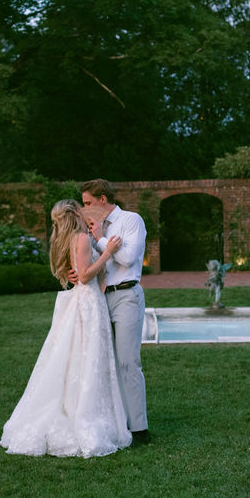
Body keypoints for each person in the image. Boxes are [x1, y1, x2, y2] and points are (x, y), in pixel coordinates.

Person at [0, 199, 133, 458]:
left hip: (84, 300)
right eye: (81, 209)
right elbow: (84, 275)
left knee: (80, 359)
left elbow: (76, 272)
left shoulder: (71, 239)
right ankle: (84, 413)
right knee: (88, 358)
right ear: (74, 213)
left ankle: (78, 405)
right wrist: (107, 251)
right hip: (89, 303)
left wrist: (98, 242)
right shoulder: (80, 238)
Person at [78, 179, 150, 444]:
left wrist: (100, 239)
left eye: (88, 203)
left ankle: (139, 428)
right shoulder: (91, 228)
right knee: (104, 363)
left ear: (103, 200)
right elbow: (89, 261)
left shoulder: (131, 220)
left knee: (128, 362)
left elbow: (127, 259)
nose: (85, 209)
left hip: (126, 296)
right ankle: (115, 423)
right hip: (98, 299)